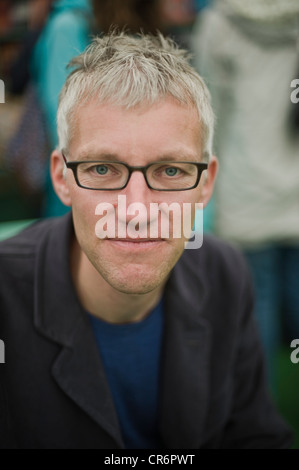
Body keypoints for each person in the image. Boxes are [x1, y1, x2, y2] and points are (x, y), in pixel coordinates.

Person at [0, 32, 293, 450]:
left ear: (205, 184)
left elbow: (254, 434)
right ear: (62, 178)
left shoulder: (225, 272)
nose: (136, 210)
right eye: (102, 169)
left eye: (170, 171)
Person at [191, 0, 299, 391]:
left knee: (255, 323)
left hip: (244, 194)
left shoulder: (218, 23)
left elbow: (207, 116)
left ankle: (257, 427)